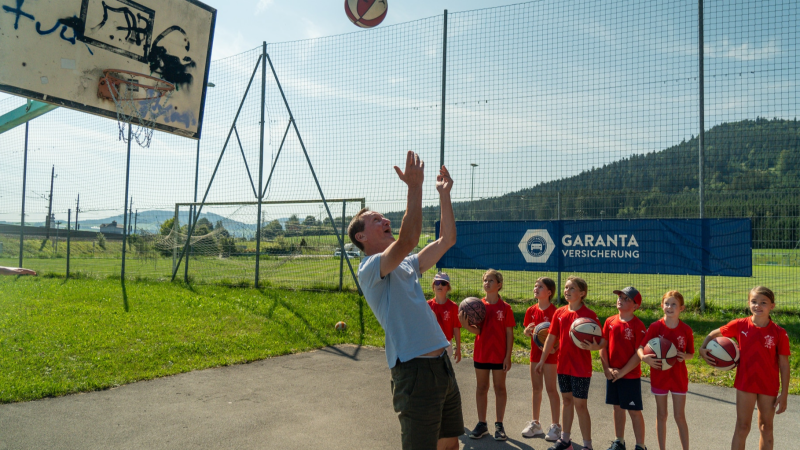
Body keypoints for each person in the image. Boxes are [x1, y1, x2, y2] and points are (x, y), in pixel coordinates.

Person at [348, 151, 461, 450]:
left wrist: (444, 195)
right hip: (415, 371)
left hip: (441, 366)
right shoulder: (370, 269)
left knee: (450, 444)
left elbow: (447, 240)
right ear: (361, 237)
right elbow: (408, 237)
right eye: (375, 220)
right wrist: (414, 187)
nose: (384, 220)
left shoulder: (408, 264)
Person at [699, 286, 790, 450]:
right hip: (745, 382)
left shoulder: (779, 333)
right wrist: (702, 348)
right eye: (754, 301)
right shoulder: (740, 324)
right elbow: (714, 333)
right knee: (742, 427)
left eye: (763, 302)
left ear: (772, 306)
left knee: (766, 427)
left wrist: (784, 393)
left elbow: (784, 364)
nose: (758, 305)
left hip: (768, 385)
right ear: (748, 303)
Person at [536, 276, 605, 450]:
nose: (567, 291)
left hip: (581, 367)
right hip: (563, 365)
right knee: (567, 401)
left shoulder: (589, 315)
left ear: (582, 293)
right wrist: (542, 360)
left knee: (580, 405)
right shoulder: (560, 313)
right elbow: (551, 337)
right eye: (566, 288)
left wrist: (593, 347)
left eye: (572, 288)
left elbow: (603, 341)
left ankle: (587, 445)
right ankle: (565, 441)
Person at [459, 269, 515, 441]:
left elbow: (509, 334)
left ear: (499, 285)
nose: (486, 283)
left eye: (490, 280)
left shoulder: (505, 308)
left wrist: (508, 356)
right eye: (485, 280)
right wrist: (465, 324)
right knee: (482, 388)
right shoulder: (477, 305)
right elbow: (479, 331)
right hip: (482, 354)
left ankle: (499, 425)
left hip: (499, 356)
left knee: (500, 389)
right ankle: (482, 423)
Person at [638, 290, 694, 450]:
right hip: (659, 376)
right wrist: (644, 358)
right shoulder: (656, 327)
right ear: (662, 305)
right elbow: (641, 348)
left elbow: (691, 354)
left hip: (678, 377)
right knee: (662, 415)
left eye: (674, 304)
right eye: (667, 304)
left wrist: (684, 357)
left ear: (681, 308)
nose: (669, 307)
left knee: (679, 416)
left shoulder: (686, 330)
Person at [601, 287, 648, 450]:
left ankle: (640, 446)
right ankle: (619, 441)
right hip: (613, 374)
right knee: (617, 408)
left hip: (629, 376)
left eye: (627, 298)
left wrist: (622, 372)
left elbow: (638, 355)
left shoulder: (638, 325)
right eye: (620, 297)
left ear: (636, 306)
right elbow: (603, 347)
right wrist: (607, 369)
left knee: (634, 411)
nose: (621, 299)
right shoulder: (609, 321)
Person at [521, 277, 561, 441]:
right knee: (536, 389)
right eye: (535, 285)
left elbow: (559, 337)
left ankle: (556, 426)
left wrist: (554, 347)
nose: (536, 288)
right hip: (535, 356)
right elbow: (526, 331)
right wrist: (527, 332)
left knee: (551, 389)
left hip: (551, 356)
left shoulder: (555, 312)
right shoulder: (531, 310)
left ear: (549, 292)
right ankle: (536, 424)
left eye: (540, 286)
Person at [427, 272, 462, 362]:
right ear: (433, 286)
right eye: (437, 283)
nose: (440, 285)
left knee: (443, 371)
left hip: (446, 343)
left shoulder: (453, 306)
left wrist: (458, 348)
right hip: (431, 342)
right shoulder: (427, 305)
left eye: (443, 283)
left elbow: (456, 328)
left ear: (448, 287)